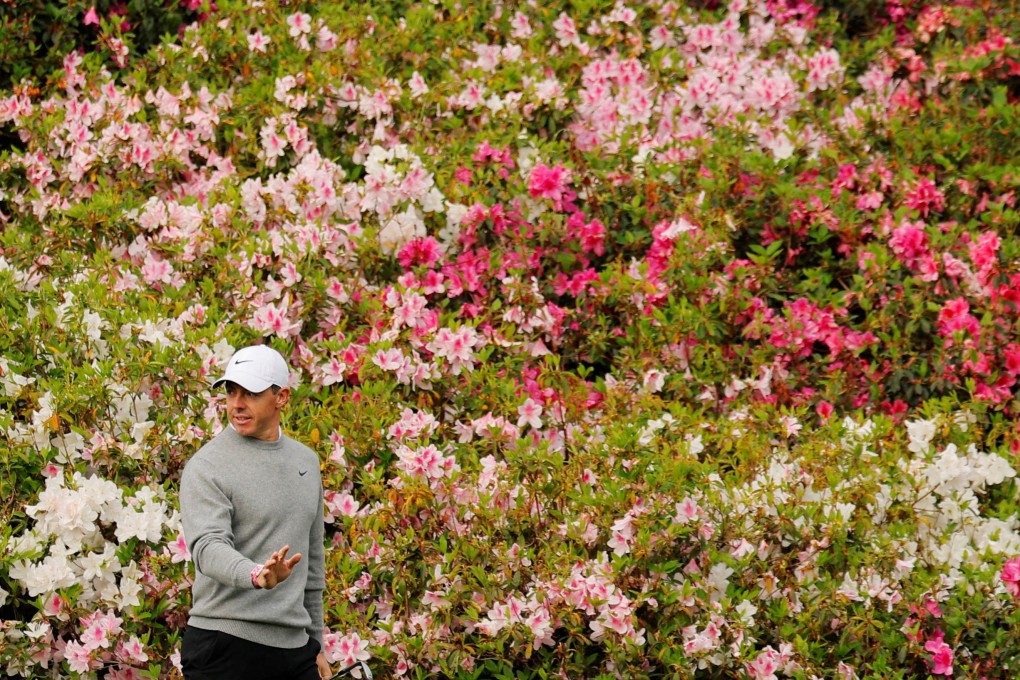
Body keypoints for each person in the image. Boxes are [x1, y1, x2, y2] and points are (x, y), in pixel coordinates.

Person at [180, 344, 331, 680]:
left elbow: (313, 563)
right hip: (224, 647)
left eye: (250, 392)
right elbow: (207, 547)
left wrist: (316, 644)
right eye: (232, 391)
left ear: (282, 398)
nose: (237, 404)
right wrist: (255, 574)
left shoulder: (306, 463)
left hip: (295, 653)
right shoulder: (207, 466)